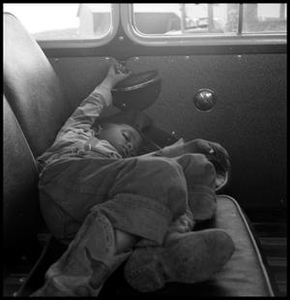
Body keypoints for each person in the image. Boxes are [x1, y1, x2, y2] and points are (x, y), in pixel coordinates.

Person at [31, 61, 234, 297]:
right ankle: (65, 287)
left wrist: (191, 147)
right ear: (101, 127)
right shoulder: (78, 132)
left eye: (132, 148)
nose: (129, 145)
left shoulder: (116, 163)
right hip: (63, 183)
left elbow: (153, 159)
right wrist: (110, 80)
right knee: (161, 171)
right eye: (127, 135)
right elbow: (92, 105)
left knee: (195, 164)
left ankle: (154, 257)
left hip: (88, 211)